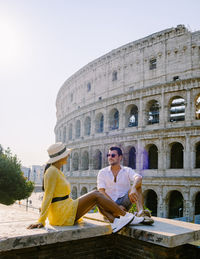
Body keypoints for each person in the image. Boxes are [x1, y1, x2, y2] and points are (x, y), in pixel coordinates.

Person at [27, 142, 140, 233]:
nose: (68, 155)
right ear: (60, 157)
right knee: (96, 194)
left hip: (65, 209)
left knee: (97, 197)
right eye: (66, 154)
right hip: (62, 213)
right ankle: (126, 216)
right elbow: (48, 195)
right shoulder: (51, 172)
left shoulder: (56, 171)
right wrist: (41, 220)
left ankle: (115, 221)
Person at [97, 146, 154, 225]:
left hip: (124, 202)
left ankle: (141, 212)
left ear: (120, 157)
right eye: (108, 155)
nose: (110, 157)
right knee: (97, 197)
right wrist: (116, 207)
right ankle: (118, 213)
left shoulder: (127, 170)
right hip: (109, 203)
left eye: (113, 155)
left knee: (138, 186)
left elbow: (139, 177)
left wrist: (133, 188)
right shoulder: (102, 172)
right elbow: (101, 192)